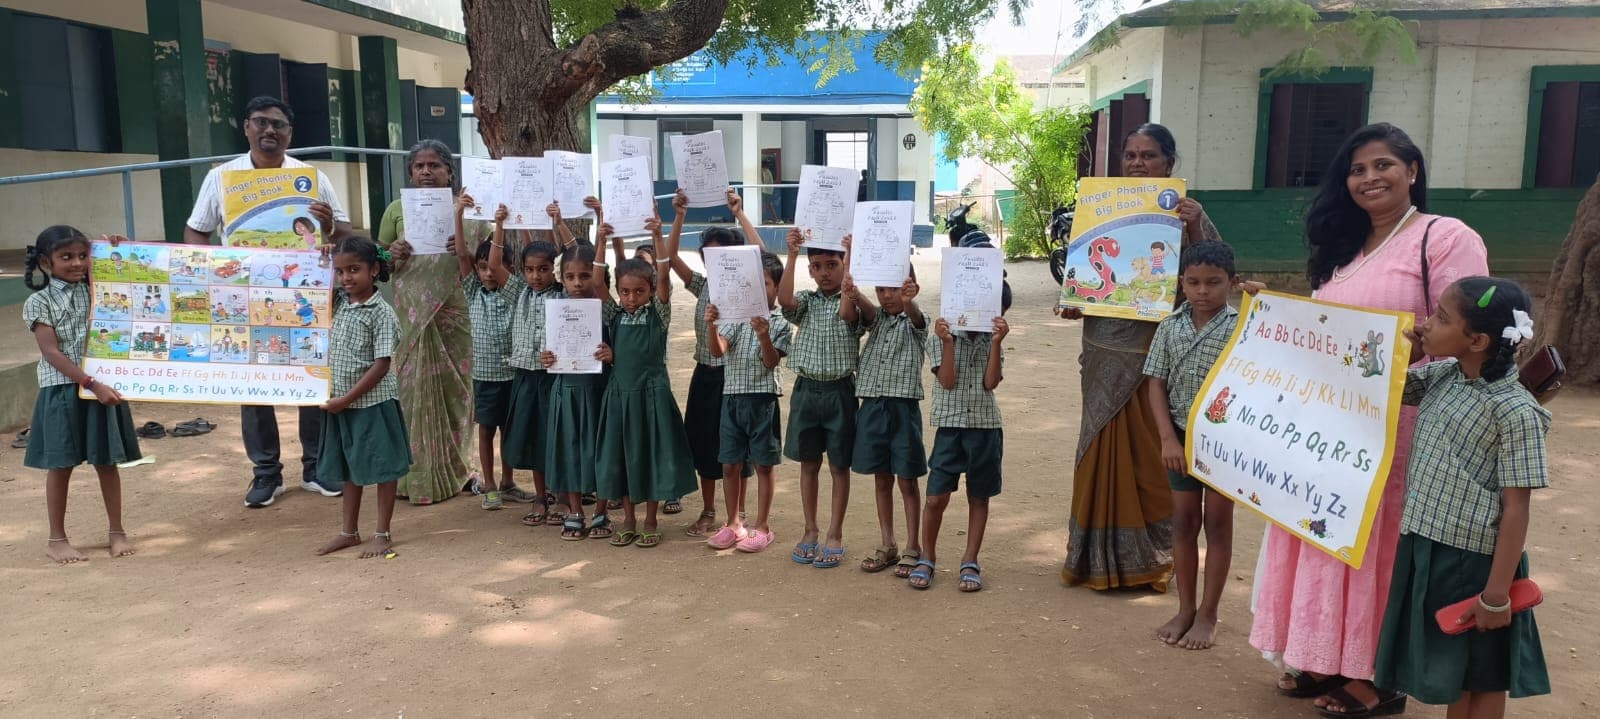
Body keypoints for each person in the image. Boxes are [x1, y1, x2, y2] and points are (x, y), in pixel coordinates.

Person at [1251, 123, 1489, 715]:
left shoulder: (1444, 237)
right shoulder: (1344, 248)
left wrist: (1423, 343)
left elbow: (1471, 331)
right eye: (1357, 170)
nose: (1369, 178)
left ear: (1413, 170)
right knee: (1325, 535)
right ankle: (1324, 657)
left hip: (1402, 431)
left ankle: (1377, 676)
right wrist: (1270, 315)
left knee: (1376, 548)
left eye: (1383, 164)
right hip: (1330, 433)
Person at [1374, 277, 1549, 718]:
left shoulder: (1515, 410)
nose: (1425, 323)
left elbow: (1517, 509)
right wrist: (1409, 354)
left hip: (1474, 561)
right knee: (1459, 670)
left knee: (1483, 675)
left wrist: (1496, 594)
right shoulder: (1445, 376)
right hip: (1427, 545)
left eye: (1441, 318)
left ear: (1477, 341)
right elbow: (1383, 387)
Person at [1060, 123, 1222, 591]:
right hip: (1102, 346)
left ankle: (1152, 556)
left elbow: (1213, 272)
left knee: (1152, 452)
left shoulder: (1187, 213)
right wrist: (1075, 300)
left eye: (1148, 155)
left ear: (1168, 162)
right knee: (1099, 444)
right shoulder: (1102, 206)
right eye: (1130, 155)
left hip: (1157, 349)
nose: (1137, 163)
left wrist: (1193, 225)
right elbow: (1089, 274)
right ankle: (1090, 558)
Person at [184, 96, 352, 508]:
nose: (269, 130)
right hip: (242, 298)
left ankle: (316, 467)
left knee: (311, 377)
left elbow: (344, 233)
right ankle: (266, 473)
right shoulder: (221, 178)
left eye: (278, 124)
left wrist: (329, 225)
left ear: (290, 133)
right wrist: (212, 270)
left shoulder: (312, 178)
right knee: (254, 384)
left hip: (303, 296)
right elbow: (197, 230)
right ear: (246, 127)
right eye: (261, 122)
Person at [23, 226, 141, 564]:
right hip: (64, 390)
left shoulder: (98, 289)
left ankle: (117, 532)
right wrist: (91, 384)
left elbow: (133, 280)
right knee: (61, 465)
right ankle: (56, 539)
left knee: (107, 461)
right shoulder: (39, 302)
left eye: (83, 255)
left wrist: (121, 251)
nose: (77, 263)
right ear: (46, 262)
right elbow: (51, 353)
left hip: (103, 387)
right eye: (66, 257)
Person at [1143, 241, 1241, 650]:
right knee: (1183, 523)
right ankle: (1185, 608)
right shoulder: (1169, 327)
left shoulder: (1245, 327)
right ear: (1181, 283)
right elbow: (1156, 384)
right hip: (1180, 439)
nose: (1203, 291)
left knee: (1217, 524)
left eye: (1213, 282)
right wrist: (1167, 438)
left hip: (1226, 442)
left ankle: (1208, 613)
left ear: (1232, 283)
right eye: (1194, 282)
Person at [374, 139, 473, 505]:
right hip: (411, 313)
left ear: (449, 172)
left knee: (456, 390)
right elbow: (377, 261)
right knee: (410, 391)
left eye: (435, 165)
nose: (427, 172)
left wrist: (463, 247)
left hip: (453, 311)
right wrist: (391, 251)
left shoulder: (466, 209)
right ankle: (410, 477)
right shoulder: (396, 209)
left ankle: (459, 469)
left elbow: (485, 263)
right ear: (411, 173)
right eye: (420, 166)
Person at [591, 213, 698, 548]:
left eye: (639, 291)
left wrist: (658, 236)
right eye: (624, 292)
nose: (631, 298)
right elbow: (597, 283)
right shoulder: (615, 315)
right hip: (620, 397)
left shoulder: (658, 314)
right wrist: (601, 239)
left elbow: (664, 275)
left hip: (652, 398)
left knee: (651, 456)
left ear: (651, 291)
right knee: (622, 456)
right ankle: (629, 519)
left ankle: (651, 520)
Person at [665, 188, 758, 536]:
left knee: (738, 447)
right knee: (704, 444)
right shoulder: (701, 285)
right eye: (708, 254)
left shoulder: (749, 285)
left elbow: (762, 256)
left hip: (737, 378)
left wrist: (740, 214)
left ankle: (740, 512)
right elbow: (669, 257)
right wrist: (679, 216)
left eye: (722, 254)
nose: (714, 260)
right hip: (705, 375)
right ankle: (708, 510)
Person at [908, 284, 1011, 592]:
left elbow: (990, 383)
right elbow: (947, 381)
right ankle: (927, 556)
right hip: (950, 428)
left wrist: (997, 342)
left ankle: (970, 559)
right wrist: (948, 342)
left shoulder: (994, 341)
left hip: (985, 427)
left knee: (979, 496)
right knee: (935, 498)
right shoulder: (940, 336)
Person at [313, 237, 412, 558]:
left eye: (354, 269)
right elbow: (314, 293)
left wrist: (346, 399)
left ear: (374, 269)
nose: (346, 278)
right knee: (349, 468)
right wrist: (321, 259)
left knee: (384, 468)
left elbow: (381, 365)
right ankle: (349, 532)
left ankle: (382, 532)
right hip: (341, 404)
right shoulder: (340, 303)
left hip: (373, 404)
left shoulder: (381, 313)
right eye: (340, 271)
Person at [778, 227, 864, 568]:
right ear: (810, 270)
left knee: (839, 466)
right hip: (806, 391)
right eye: (817, 266)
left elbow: (847, 313)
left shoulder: (852, 302)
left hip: (840, 392)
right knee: (809, 464)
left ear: (843, 266)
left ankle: (835, 533)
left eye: (832, 265)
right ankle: (810, 529)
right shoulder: (807, 302)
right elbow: (784, 301)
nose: (824, 272)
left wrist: (851, 255)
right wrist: (792, 254)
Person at [703, 252, 792, 553]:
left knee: (764, 464)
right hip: (732, 398)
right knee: (730, 464)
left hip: (763, 400)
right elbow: (718, 351)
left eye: (765, 283)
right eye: (753, 282)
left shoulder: (780, 321)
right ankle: (733, 523)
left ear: (776, 287)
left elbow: (771, 362)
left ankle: (763, 526)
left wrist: (764, 335)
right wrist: (712, 326)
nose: (758, 289)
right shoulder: (735, 317)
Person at [847, 258, 929, 577]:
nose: (887, 295)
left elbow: (917, 318)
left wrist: (909, 301)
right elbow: (867, 311)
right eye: (881, 289)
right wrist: (855, 293)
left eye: (894, 288)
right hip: (872, 405)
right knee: (881, 477)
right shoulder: (877, 318)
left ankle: (913, 546)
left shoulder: (916, 320)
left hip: (903, 408)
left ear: (910, 287)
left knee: (907, 479)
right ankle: (888, 543)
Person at [486, 202, 563, 522]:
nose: (536, 275)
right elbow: (493, 265)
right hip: (525, 376)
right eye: (530, 269)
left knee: (555, 437)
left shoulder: (563, 294)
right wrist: (500, 225)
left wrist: (557, 222)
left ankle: (562, 497)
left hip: (554, 377)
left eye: (543, 269)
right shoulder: (519, 291)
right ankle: (541, 497)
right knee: (533, 438)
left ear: (554, 269)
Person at [545, 243, 615, 541]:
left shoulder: (607, 308)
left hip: (599, 391)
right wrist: (546, 357)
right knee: (569, 448)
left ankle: (601, 510)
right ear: (561, 278)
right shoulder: (556, 309)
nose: (577, 283)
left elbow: (620, 343)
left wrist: (612, 354)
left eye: (584, 276)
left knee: (601, 449)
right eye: (570, 277)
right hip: (567, 390)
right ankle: (575, 511)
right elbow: (549, 346)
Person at [453, 196, 515, 511]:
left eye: (494, 268)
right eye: (482, 268)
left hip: (513, 374)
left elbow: (496, 262)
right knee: (487, 430)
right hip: (485, 377)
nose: (489, 273)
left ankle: (508, 482)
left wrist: (500, 226)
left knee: (510, 430)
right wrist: (458, 214)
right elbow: (461, 254)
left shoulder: (513, 292)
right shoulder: (473, 292)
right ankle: (489, 484)